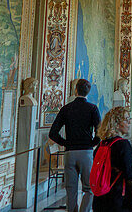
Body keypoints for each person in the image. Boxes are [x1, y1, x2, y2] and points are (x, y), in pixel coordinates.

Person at [49, 79, 103, 212]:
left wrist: (66, 143)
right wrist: (92, 143)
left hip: (70, 153)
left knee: (71, 189)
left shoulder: (66, 108)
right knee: (89, 189)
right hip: (86, 152)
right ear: (88, 92)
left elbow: (53, 133)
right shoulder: (92, 108)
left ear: (75, 90)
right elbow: (100, 132)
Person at [92, 106, 132, 212]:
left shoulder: (102, 144)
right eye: (126, 120)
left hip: (101, 197)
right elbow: (130, 173)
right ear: (116, 124)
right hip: (118, 199)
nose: (129, 123)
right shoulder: (123, 145)